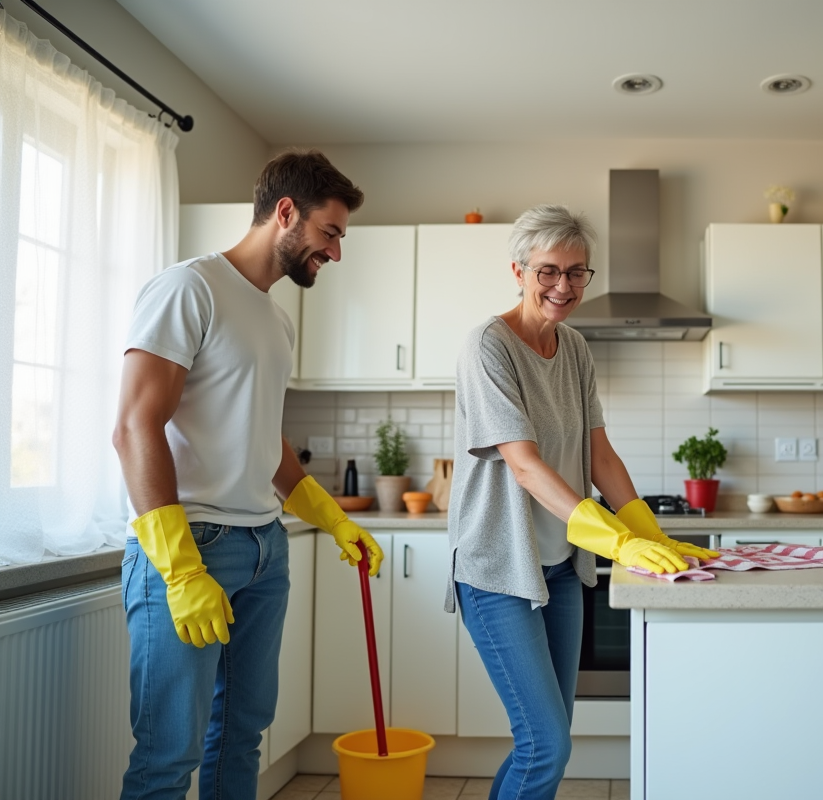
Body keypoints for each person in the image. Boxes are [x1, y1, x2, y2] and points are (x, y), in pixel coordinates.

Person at [112, 150, 384, 800]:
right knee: (167, 757)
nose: (336, 253)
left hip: (266, 549)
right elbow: (133, 426)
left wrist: (332, 519)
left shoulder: (276, 318)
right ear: (285, 213)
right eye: (331, 233)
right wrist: (180, 571)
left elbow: (265, 440)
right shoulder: (189, 288)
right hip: (193, 548)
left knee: (242, 737)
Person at [446, 204, 719, 799]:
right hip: (498, 570)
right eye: (548, 271)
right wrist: (618, 542)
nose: (563, 286)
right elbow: (523, 464)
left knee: (547, 740)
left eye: (577, 272)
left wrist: (650, 532)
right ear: (518, 271)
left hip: (562, 570)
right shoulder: (487, 346)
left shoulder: (575, 349)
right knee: (546, 744)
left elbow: (602, 457)